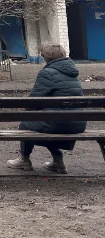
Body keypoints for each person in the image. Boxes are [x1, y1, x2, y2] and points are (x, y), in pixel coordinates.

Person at [7, 43, 86, 174]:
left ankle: (24, 159)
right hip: (77, 124)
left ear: (45, 58)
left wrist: (28, 112)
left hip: (58, 123)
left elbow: (34, 102)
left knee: (27, 124)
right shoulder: (73, 72)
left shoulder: (47, 73)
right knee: (48, 121)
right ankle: (57, 160)